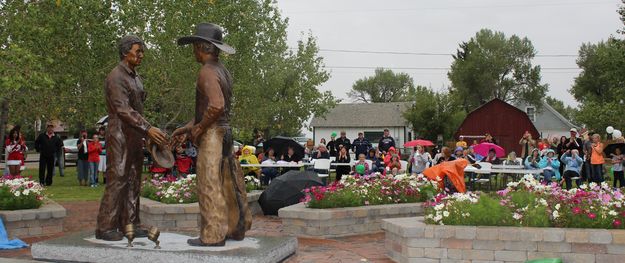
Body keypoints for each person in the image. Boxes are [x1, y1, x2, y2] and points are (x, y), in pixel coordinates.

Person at [171, 24, 251, 246]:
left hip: (213, 135)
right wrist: (187, 127)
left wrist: (199, 128)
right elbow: (214, 109)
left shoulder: (206, 71)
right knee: (229, 180)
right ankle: (236, 228)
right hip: (225, 132)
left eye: (194, 46)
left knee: (209, 183)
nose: (193, 51)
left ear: (200, 47)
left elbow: (215, 106)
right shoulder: (221, 70)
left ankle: (213, 235)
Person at [96, 35, 168, 241]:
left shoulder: (136, 78)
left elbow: (138, 110)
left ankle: (130, 224)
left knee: (134, 180)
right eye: (138, 51)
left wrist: (148, 132)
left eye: (142, 51)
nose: (141, 55)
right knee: (118, 178)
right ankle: (105, 226)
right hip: (119, 134)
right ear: (125, 52)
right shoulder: (116, 77)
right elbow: (123, 109)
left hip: (136, 135)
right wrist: (148, 128)